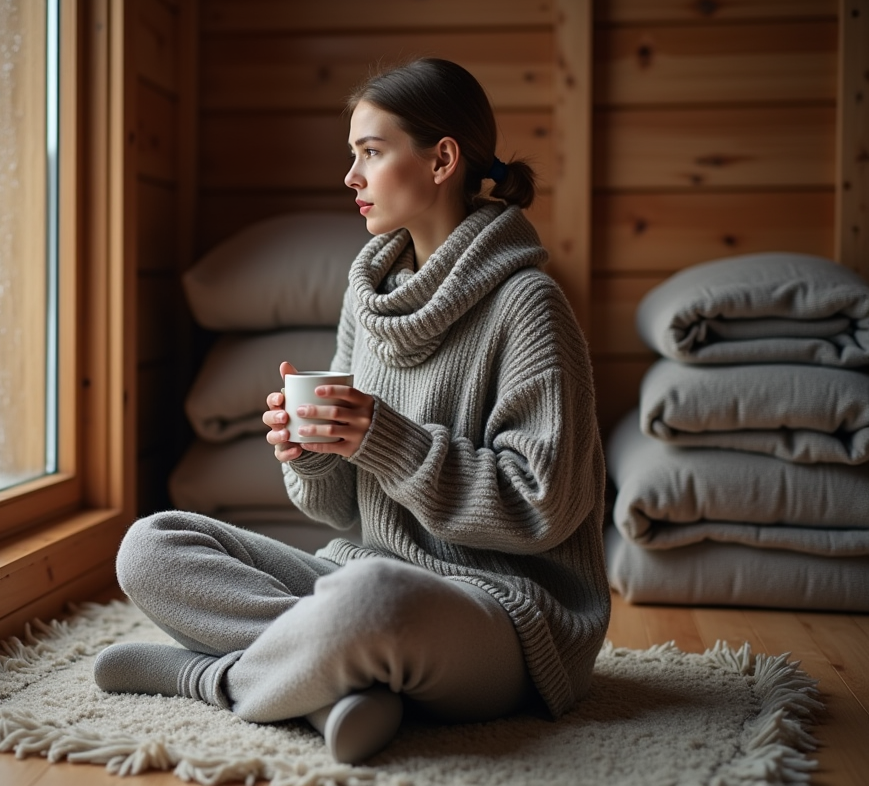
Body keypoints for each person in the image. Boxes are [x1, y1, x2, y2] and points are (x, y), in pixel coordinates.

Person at [93, 57, 610, 765]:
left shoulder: (530, 307)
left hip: (507, 612)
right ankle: (339, 685)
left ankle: (212, 679)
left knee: (374, 601)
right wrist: (311, 452)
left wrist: (386, 439)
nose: (351, 177)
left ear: (441, 160)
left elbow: (546, 504)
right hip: (364, 573)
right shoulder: (367, 302)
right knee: (150, 546)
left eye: (371, 152)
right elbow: (339, 514)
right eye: (352, 155)